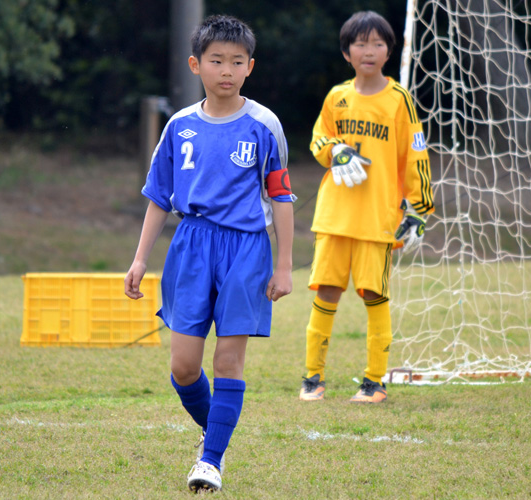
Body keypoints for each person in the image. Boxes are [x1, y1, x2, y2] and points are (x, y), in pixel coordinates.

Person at [124, 14, 295, 493]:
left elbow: (281, 198)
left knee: (227, 361)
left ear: (250, 67)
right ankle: (213, 429)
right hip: (192, 245)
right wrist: (140, 259)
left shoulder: (264, 125)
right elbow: (160, 196)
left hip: (245, 249)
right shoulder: (179, 126)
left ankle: (211, 460)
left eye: (236, 62)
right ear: (196, 65)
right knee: (182, 365)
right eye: (216, 60)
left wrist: (282, 266)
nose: (226, 69)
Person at [299, 10, 434, 403]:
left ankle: (374, 382)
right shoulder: (336, 97)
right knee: (325, 291)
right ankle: (312, 378)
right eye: (360, 43)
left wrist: (418, 209)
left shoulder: (399, 101)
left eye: (377, 43)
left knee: (374, 294)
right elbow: (318, 139)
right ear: (347, 52)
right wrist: (335, 151)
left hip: (378, 219)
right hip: (335, 217)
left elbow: (416, 157)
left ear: (389, 50)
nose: (369, 50)